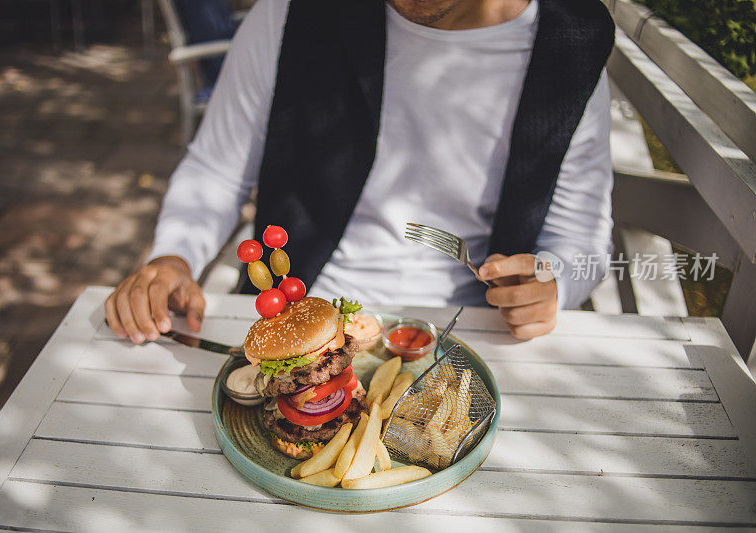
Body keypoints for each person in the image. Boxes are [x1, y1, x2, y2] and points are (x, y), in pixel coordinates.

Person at [105, 0, 615, 344]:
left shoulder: (567, 44)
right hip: (299, 316)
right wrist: (173, 259)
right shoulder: (293, 13)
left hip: (472, 335)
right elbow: (217, 168)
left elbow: (579, 237)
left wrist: (551, 285)